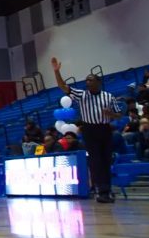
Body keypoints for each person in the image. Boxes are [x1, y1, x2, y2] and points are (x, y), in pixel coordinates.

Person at [51, 57, 121, 203]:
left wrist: (112, 115)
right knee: (95, 160)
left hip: (104, 128)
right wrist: (57, 72)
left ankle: (107, 189)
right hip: (89, 130)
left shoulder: (108, 96)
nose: (87, 82)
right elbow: (63, 87)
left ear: (98, 82)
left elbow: (119, 114)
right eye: (87, 80)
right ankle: (100, 190)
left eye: (90, 80)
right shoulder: (82, 95)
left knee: (106, 160)